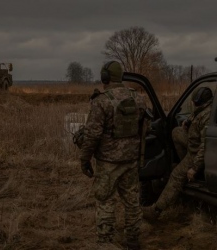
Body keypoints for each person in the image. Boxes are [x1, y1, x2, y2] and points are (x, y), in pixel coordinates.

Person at [80, 61, 148, 250]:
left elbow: (92, 134)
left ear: (105, 77)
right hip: (130, 160)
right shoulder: (139, 99)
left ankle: (106, 242)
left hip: (108, 162)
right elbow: (143, 128)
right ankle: (133, 240)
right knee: (132, 201)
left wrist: (84, 159)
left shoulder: (101, 101)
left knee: (105, 200)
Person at [142, 86, 213, 221]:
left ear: (199, 101)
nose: (193, 103)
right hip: (193, 144)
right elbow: (196, 114)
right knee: (176, 132)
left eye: (195, 101)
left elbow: (205, 146)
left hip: (197, 152)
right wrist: (188, 121)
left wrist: (194, 167)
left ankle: (155, 210)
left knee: (175, 175)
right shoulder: (204, 109)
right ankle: (184, 163)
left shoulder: (207, 116)